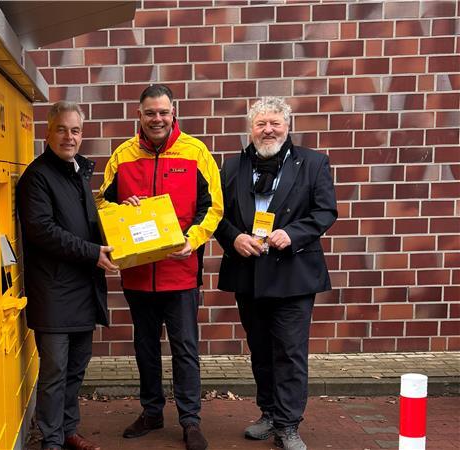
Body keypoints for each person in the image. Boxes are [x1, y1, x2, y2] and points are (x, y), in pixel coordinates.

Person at [95, 84, 223, 450]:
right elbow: (102, 203)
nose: (157, 119)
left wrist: (192, 240)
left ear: (173, 113)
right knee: (145, 347)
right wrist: (122, 206)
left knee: (185, 349)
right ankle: (152, 411)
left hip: (180, 273)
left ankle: (190, 420)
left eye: (163, 112)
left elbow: (213, 207)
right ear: (139, 115)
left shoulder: (196, 152)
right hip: (138, 274)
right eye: (150, 113)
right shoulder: (122, 156)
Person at [214, 96, 337, 450]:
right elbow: (216, 215)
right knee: (260, 349)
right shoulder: (232, 166)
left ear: (287, 126)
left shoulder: (313, 163)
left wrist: (293, 233)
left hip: (294, 274)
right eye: (260, 124)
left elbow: (326, 211)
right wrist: (234, 238)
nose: (268, 130)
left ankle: (288, 424)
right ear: (250, 129)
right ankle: (268, 413)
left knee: (290, 351)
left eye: (275, 123)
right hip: (248, 273)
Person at [16, 101, 119, 450]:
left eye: (75, 130)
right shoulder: (37, 177)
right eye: (62, 129)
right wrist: (93, 253)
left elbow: (87, 225)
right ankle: (52, 439)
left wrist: (122, 217)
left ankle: (69, 429)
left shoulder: (77, 172)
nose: (69, 137)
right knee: (54, 372)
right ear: (47, 132)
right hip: (53, 291)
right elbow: (43, 231)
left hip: (81, 290)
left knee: (76, 368)